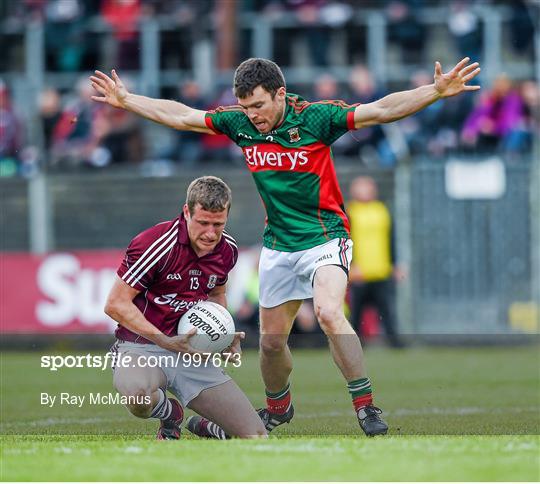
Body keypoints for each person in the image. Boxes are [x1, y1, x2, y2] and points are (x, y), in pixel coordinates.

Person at [91, 56, 481, 437]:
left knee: (328, 313)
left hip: (325, 236)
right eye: (245, 106)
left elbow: (380, 110)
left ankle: (365, 406)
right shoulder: (241, 123)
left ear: (280, 94)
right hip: (278, 244)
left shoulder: (316, 117)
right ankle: (278, 408)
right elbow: (181, 115)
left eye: (258, 105)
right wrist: (128, 100)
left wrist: (433, 91)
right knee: (272, 343)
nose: (252, 114)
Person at [104, 176, 267, 440]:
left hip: (191, 352)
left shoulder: (228, 250)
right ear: (186, 212)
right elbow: (115, 304)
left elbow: (216, 293)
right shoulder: (155, 243)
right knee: (138, 397)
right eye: (203, 223)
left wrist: (223, 338)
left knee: (256, 436)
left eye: (218, 224)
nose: (211, 233)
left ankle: (207, 427)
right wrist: (166, 341)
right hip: (141, 346)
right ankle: (171, 414)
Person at [347, 176, 405, 348]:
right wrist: (351, 265)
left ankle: (395, 343)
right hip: (359, 273)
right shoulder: (349, 211)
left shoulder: (382, 210)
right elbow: (345, 241)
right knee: (355, 313)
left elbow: (391, 239)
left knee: (387, 311)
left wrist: (395, 263)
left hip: (382, 270)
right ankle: (353, 345)